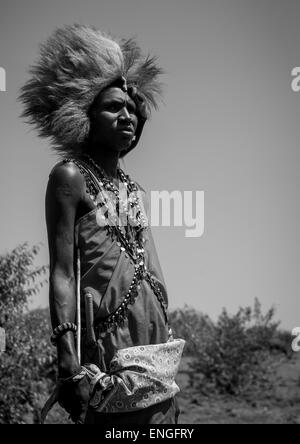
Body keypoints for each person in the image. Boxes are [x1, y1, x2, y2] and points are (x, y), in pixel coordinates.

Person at [19, 24, 184, 424]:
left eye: (132, 108)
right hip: (109, 351)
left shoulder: (132, 188)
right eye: (113, 107)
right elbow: (62, 273)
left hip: (156, 353)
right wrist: (68, 362)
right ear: (84, 116)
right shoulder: (70, 177)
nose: (126, 115)